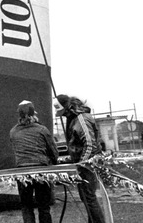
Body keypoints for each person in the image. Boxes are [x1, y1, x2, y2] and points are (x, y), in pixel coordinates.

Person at [55, 94, 106, 223]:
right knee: (86, 197)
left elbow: (89, 144)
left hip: (87, 163)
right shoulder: (74, 119)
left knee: (89, 198)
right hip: (83, 163)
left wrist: (83, 162)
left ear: (67, 107)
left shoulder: (81, 119)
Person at [9, 100, 59, 223]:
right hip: (42, 171)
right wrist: (53, 162)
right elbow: (54, 152)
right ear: (33, 114)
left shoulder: (13, 132)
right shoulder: (42, 130)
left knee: (26, 206)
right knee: (44, 206)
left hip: (22, 173)